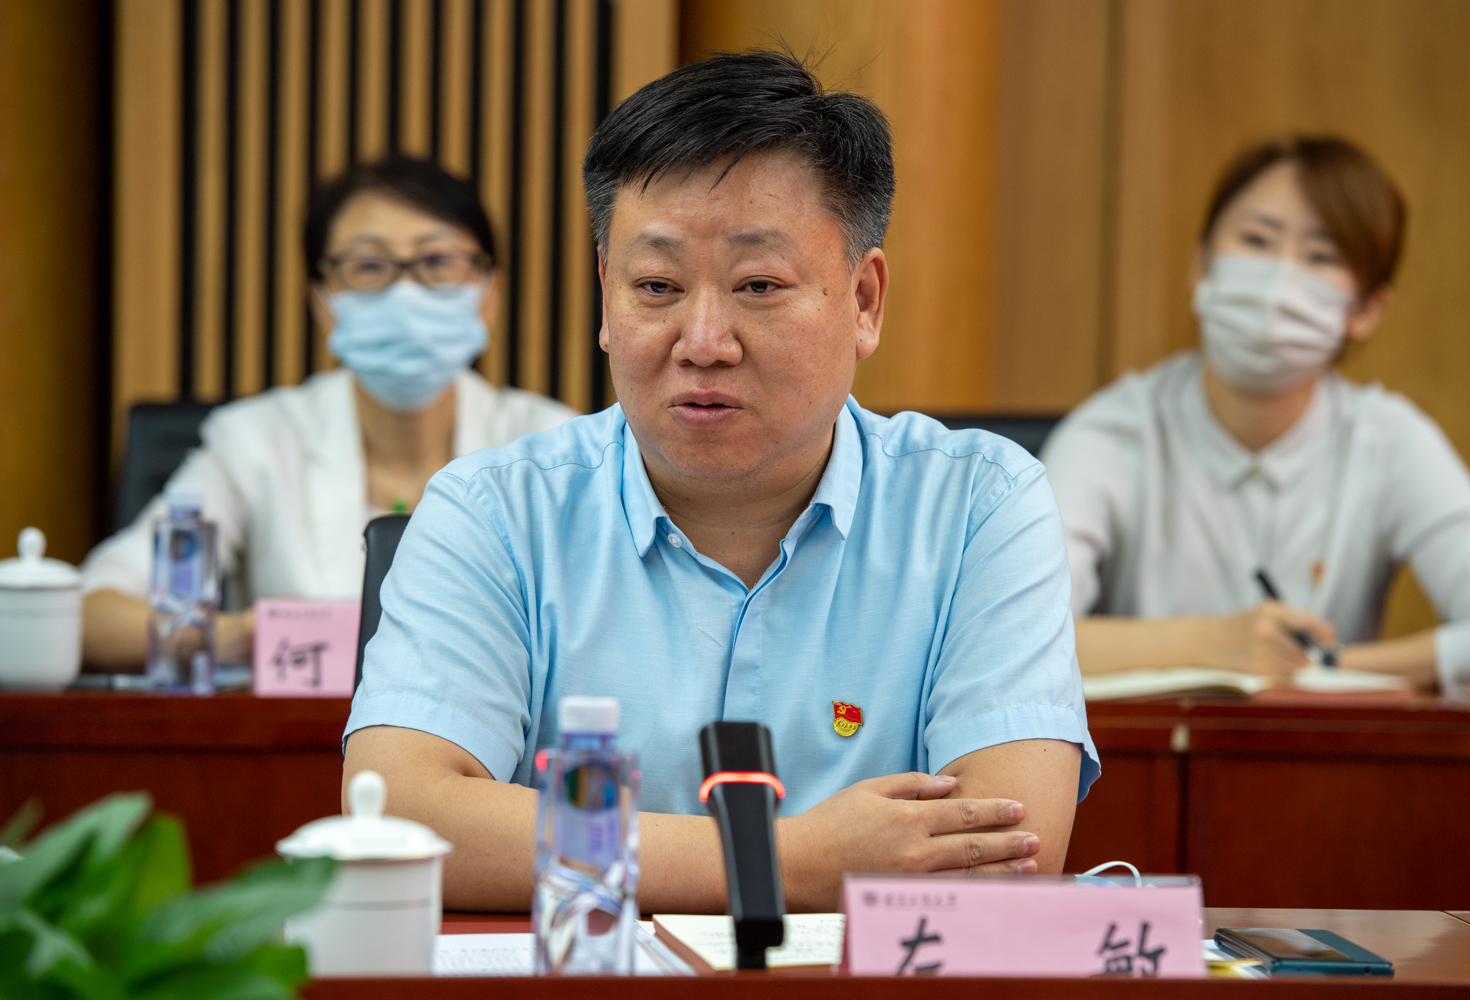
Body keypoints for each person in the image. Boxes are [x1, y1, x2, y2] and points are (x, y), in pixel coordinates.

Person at [344, 51, 1098, 914]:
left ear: (864, 300)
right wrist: (786, 862)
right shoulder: (494, 512)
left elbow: (1004, 848)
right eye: (657, 286)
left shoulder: (977, 506)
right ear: (606, 293)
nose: (703, 341)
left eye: (758, 285)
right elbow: (398, 816)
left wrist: (608, 853)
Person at [1042, 136, 1470, 697]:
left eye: (1321, 257)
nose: (1280, 282)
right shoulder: (1110, 432)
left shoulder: (1387, 440)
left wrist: (1325, 667)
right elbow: (1014, 635)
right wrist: (1209, 644)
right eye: (1257, 241)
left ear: (1366, 309)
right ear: (1201, 266)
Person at [81, 156, 575, 669]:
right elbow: (92, 613)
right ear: (323, 301)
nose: (405, 293)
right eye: (369, 266)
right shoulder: (256, 441)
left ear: (488, 293)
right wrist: (245, 637)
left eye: (437, 262)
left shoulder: (553, 445)